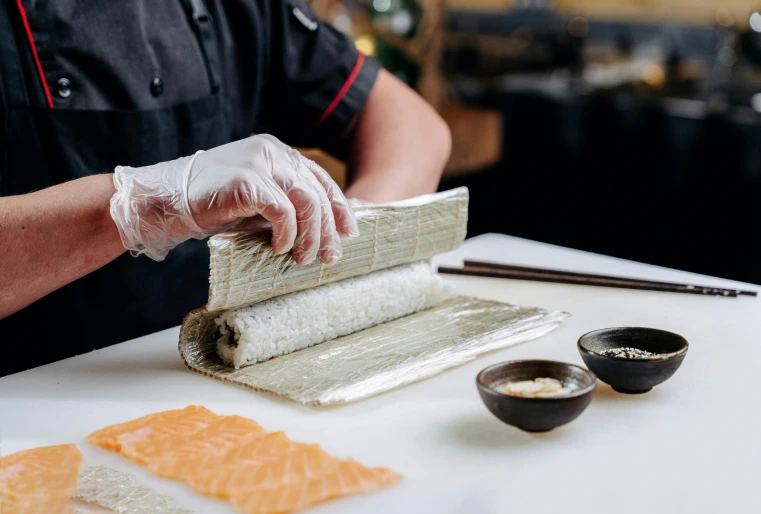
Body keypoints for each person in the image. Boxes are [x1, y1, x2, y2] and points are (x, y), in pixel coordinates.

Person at [0, 0, 451, 376]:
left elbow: (413, 126)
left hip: (226, 367)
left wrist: (344, 232)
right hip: (35, 394)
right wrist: (144, 205)